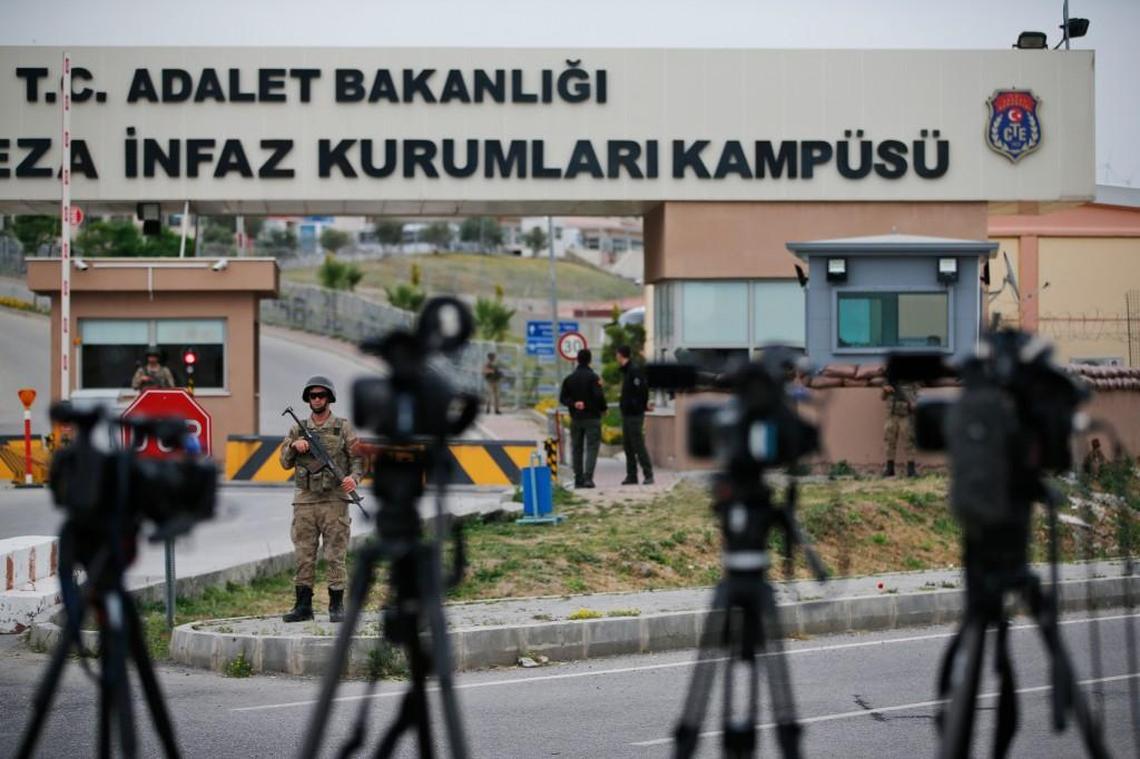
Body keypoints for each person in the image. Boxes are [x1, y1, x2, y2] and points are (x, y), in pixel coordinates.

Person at [279, 376, 363, 623]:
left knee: (335, 554)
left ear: (329, 398)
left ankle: (336, 606)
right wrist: (295, 446)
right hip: (305, 501)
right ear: (308, 399)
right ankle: (303, 606)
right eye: (313, 396)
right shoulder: (297, 428)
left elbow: (358, 458)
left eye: (321, 395)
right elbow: (284, 462)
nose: (317, 399)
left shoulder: (342, 427)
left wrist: (354, 478)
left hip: (335, 500)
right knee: (304, 555)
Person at [559, 348, 606, 489]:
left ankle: (578, 478)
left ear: (577, 360)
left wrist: (573, 403)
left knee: (576, 448)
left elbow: (562, 398)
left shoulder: (569, 379)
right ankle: (588, 478)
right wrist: (603, 409)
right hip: (592, 418)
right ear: (590, 360)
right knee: (592, 447)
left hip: (576, 419)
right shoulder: (594, 378)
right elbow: (599, 396)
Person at [616, 345, 654, 485]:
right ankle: (632, 475)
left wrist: (639, 406)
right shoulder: (626, 371)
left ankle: (648, 474)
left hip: (634, 414)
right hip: (627, 413)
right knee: (628, 445)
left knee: (638, 444)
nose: (616, 358)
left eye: (617, 355)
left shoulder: (634, 370)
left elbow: (642, 390)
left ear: (620, 355)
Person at [882, 380, 919, 477]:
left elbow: (917, 392)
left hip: (906, 414)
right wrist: (885, 390)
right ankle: (890, 469)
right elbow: (883, 397)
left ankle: (911, 470)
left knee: (909, 440)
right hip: (892, 413)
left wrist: (914, 402)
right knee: (889, 440)